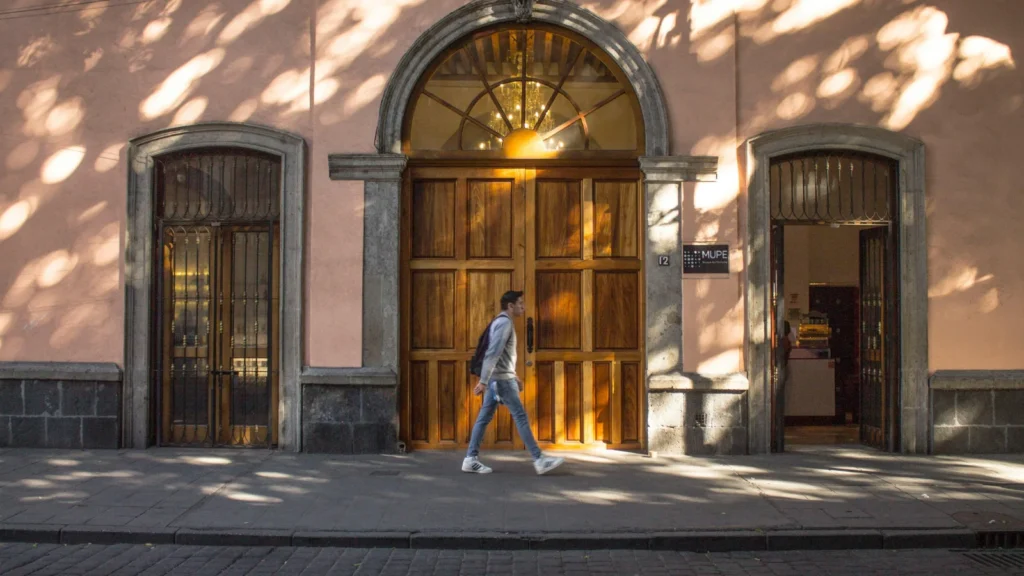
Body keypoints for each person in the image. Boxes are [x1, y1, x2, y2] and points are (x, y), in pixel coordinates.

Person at [462, 290, 565, 475]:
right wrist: (484, 381)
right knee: (520, 417)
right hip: (501, 381)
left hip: (500, 378)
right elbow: (493, 353)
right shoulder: (504, 323)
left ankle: (470, 458)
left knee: (484, 418)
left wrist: (512, 374)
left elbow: (501, 356)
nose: (523, 307)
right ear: (510, 306)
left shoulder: (501, 322)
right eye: (520, 304)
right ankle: (539, 460)